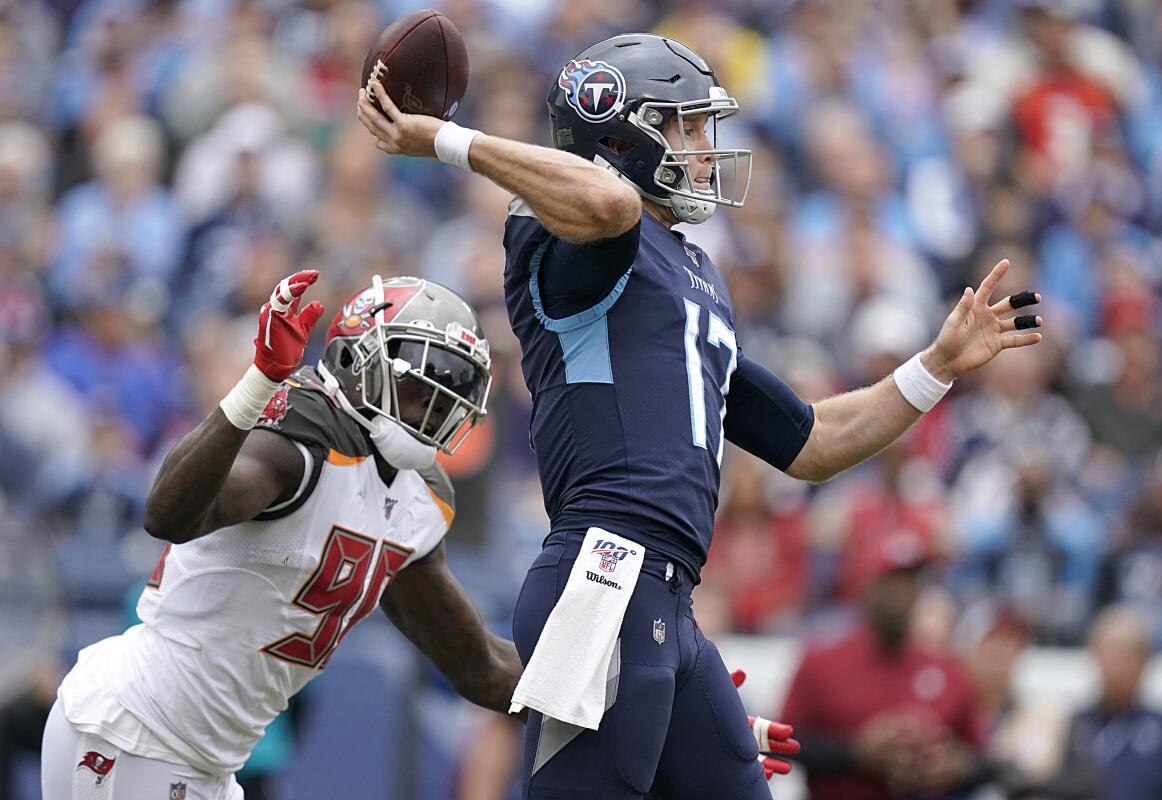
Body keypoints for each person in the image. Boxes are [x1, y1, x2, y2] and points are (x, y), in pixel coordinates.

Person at [356, 32, 1042, 800]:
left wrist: (935, 367)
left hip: (668, 600)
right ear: (618, 132)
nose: (705, 150)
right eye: (683, 126)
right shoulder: (569, 233)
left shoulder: (692, 273)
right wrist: (446, 138)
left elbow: (812, 442)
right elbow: (609, 201)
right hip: (603, 574)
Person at [40, 270, 524, 799]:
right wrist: (258, 382)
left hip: (203, 760)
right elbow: (169, 516)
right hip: (135, 732)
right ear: (354, 361)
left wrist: (593, 704)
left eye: (452, 386)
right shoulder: (301, 436)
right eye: (416, 380)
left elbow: (479, 666)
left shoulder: (420, 500)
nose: (432, 402)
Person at [780, 530, 988, 800]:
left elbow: (982, 760)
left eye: (911, 582)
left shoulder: (946, 668)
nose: (903, 593)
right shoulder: (821, 661)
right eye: (893, 582)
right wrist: (854, 753)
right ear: (868, 584)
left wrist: (953, 766)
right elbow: (782, 743)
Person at [1015, 604, 1162, 800]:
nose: (1115, 664)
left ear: (1146, 660)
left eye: (1127, 653)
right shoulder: (1070, 725)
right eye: (1108, 652)